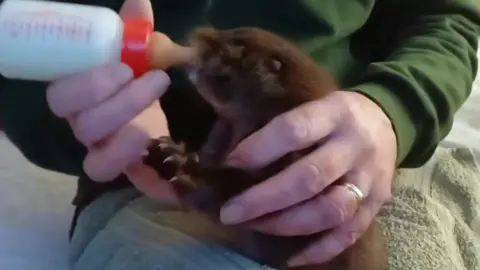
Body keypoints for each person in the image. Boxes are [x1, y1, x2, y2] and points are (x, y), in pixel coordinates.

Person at [1, 0, 479, 268]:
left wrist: (392, 110)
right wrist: (74, 115)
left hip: (376, 161)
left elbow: (447, 16)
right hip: (145, 193)